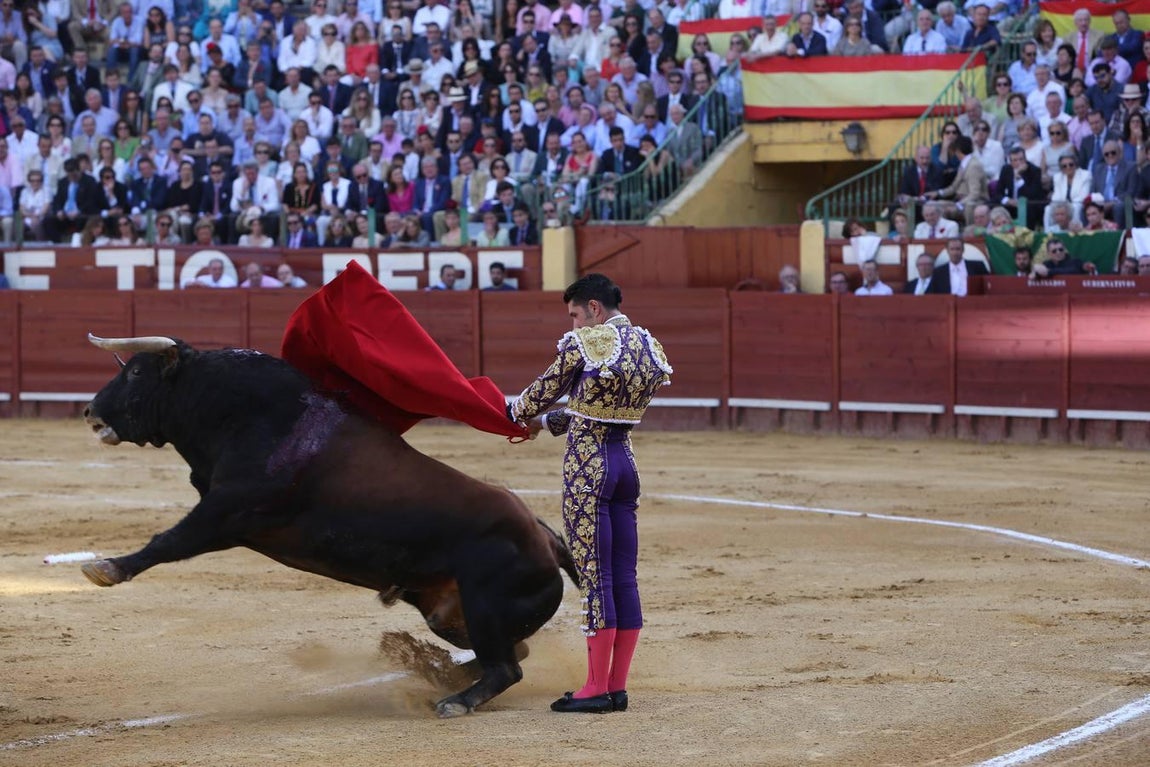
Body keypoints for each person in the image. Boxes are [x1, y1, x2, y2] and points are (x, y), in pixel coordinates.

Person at [509, 273, 671, 715]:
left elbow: (543, 392)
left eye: (576, 315)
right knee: (624, 577)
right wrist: (546, 425)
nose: (575, 324)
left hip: (589, 471)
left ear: (594, 309)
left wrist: (512, 413)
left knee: (596, 579)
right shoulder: (648, 348)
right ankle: (616, 687)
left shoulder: (588, 343)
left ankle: (595, 687)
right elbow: (590, 408)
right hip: (624, 464)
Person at [1032, 237, 1097, 278]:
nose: (1058, 252)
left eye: (1061, 249)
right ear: (1049, 253)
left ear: (1065, 249)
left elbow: (1073, 271)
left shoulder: (1075, 261)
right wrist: (1036, 271)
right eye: (1054, 251)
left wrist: (1049, 272)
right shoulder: (1047, 264)